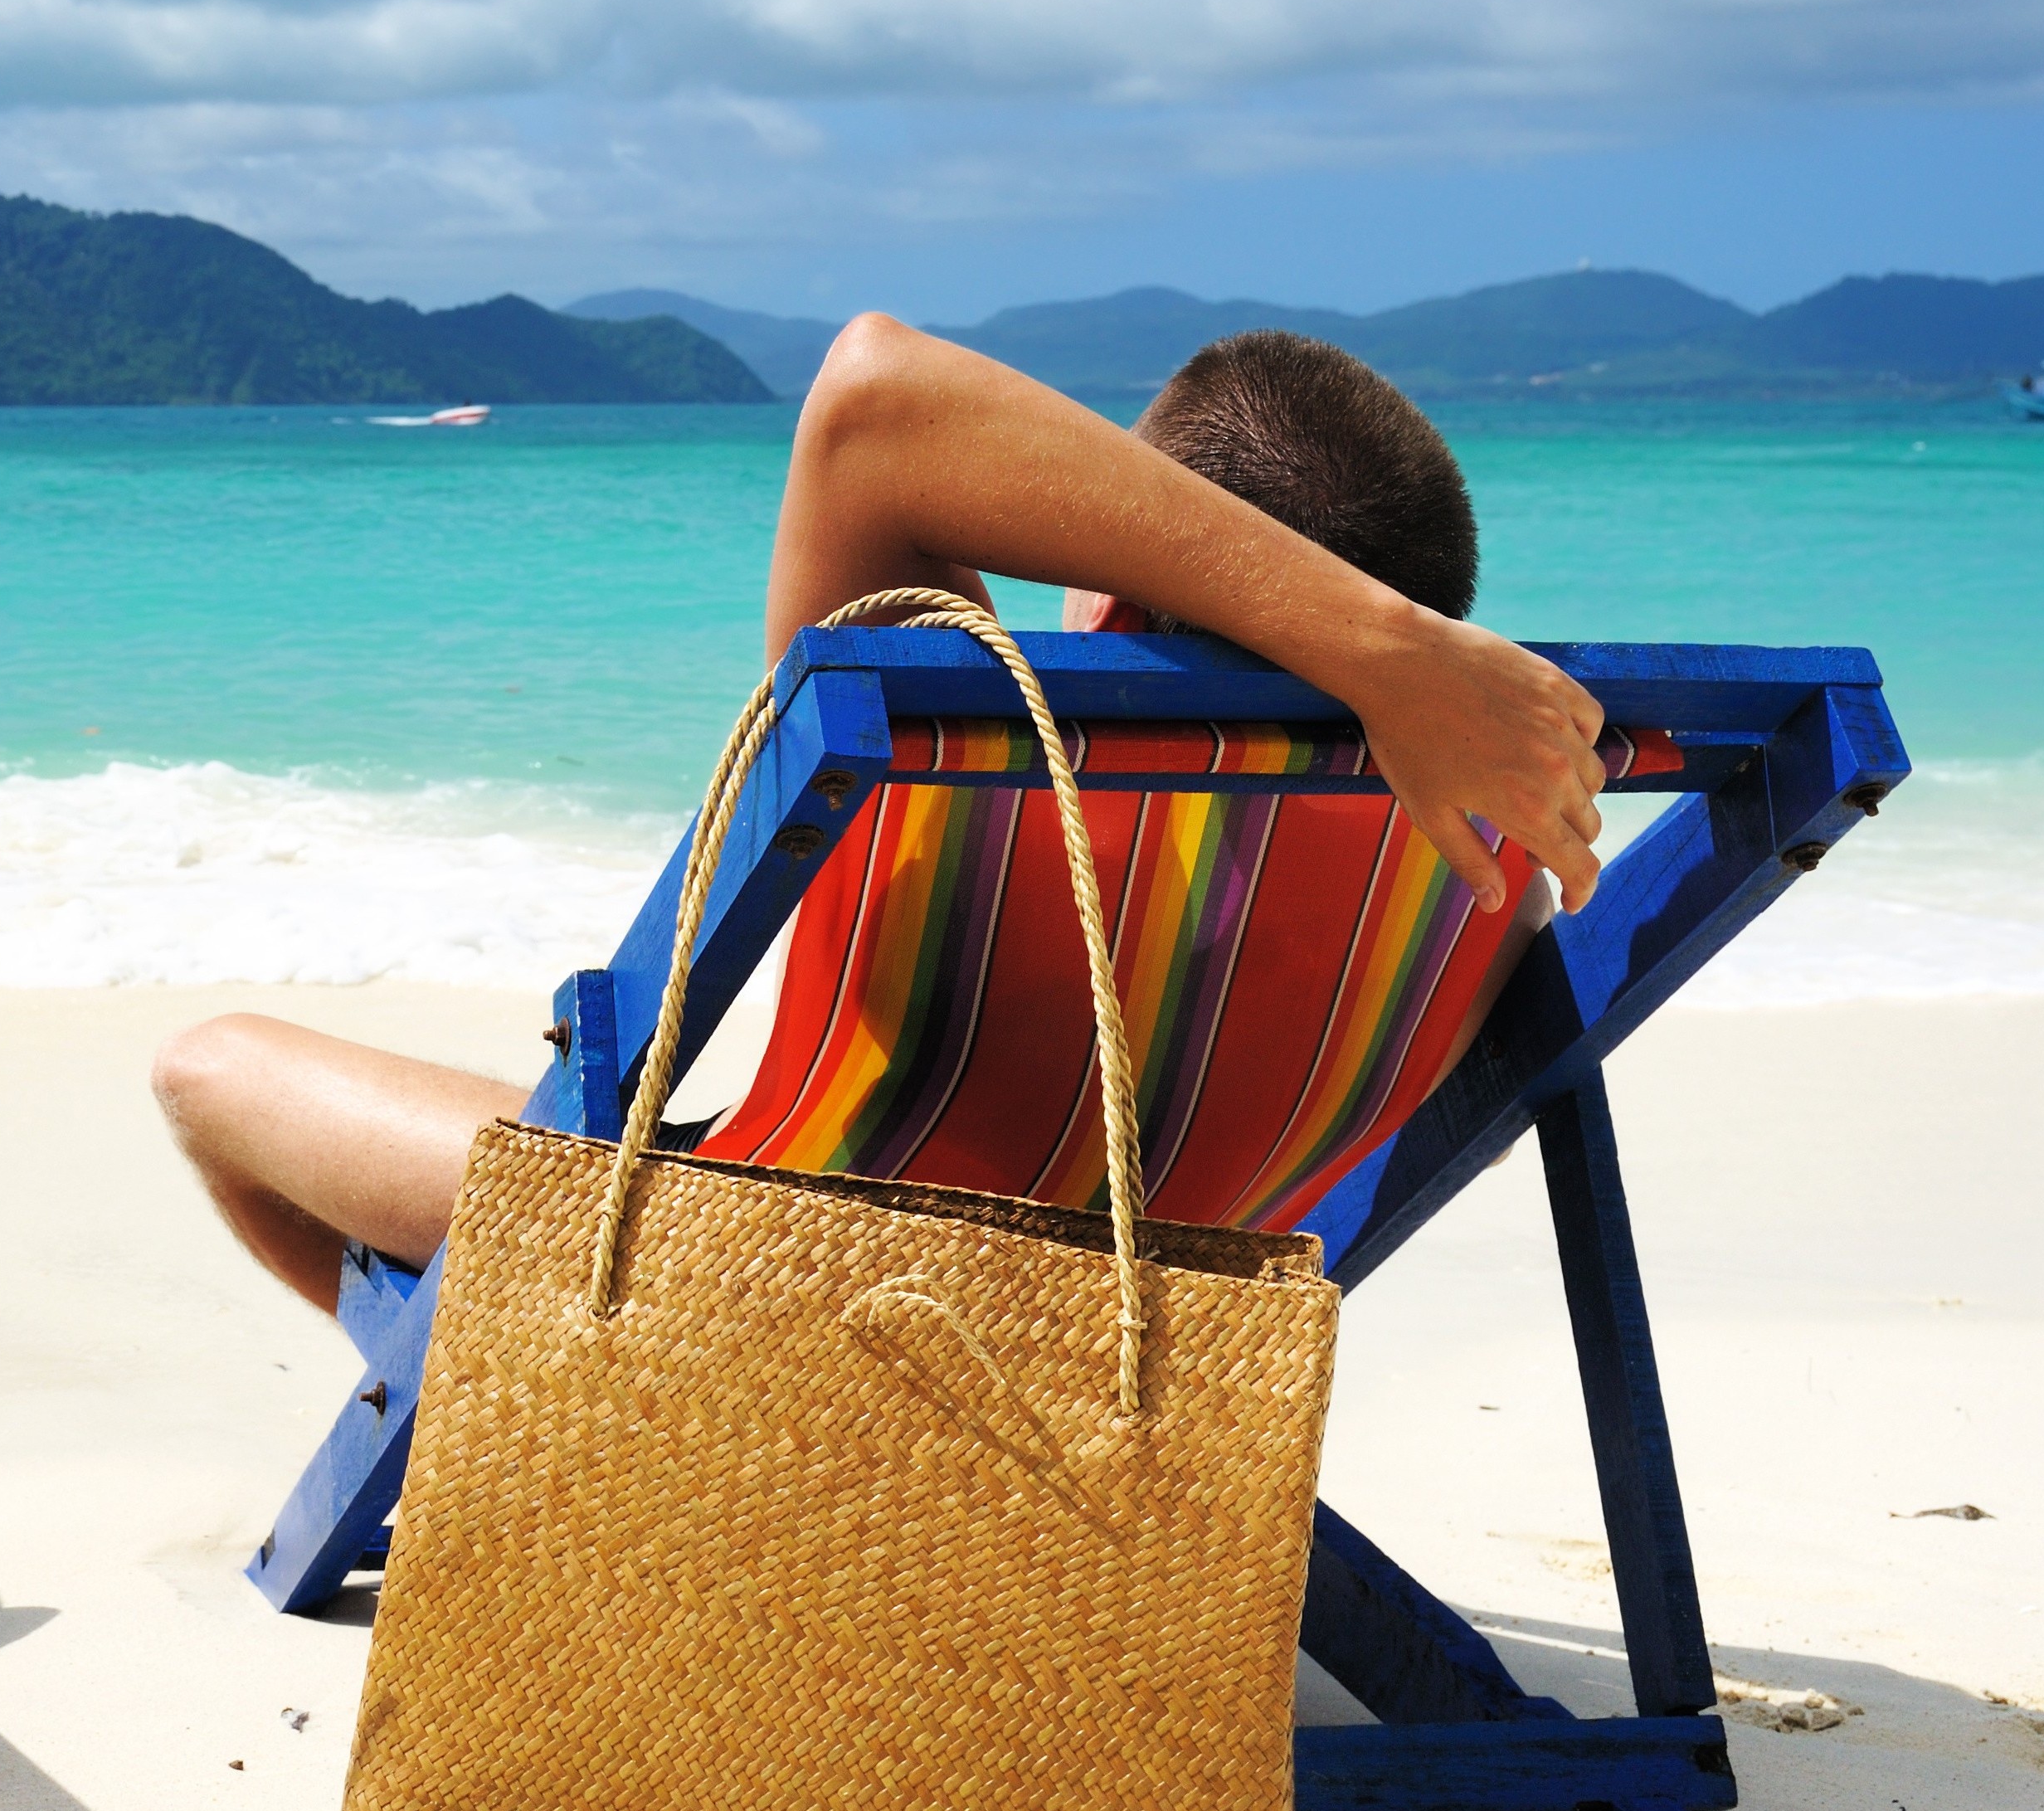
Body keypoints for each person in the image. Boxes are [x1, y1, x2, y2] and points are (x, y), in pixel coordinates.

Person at [147, 314, 1608, 1310]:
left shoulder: (973, 746)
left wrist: (1376, 649)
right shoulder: (1490, 858)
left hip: (753, 1274)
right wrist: (1395, 662)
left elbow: (873, 400)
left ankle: (501, 1422)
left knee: (206, 1071)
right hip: (1128, 1340)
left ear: (1099, 584)